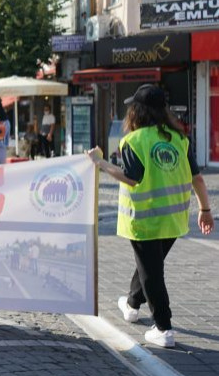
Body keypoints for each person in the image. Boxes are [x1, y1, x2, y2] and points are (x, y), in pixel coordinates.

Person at [88, 84, 213, 349]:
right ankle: (132, 305)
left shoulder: (133, 141)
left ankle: (163, 328)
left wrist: (100, 163)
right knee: (149, 266)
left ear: (137, 111)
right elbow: (198, 179)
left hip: (144, 220)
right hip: (173, 220)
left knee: (152, 272)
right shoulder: (180, 139)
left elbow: (131, 178)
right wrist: (205, 211)